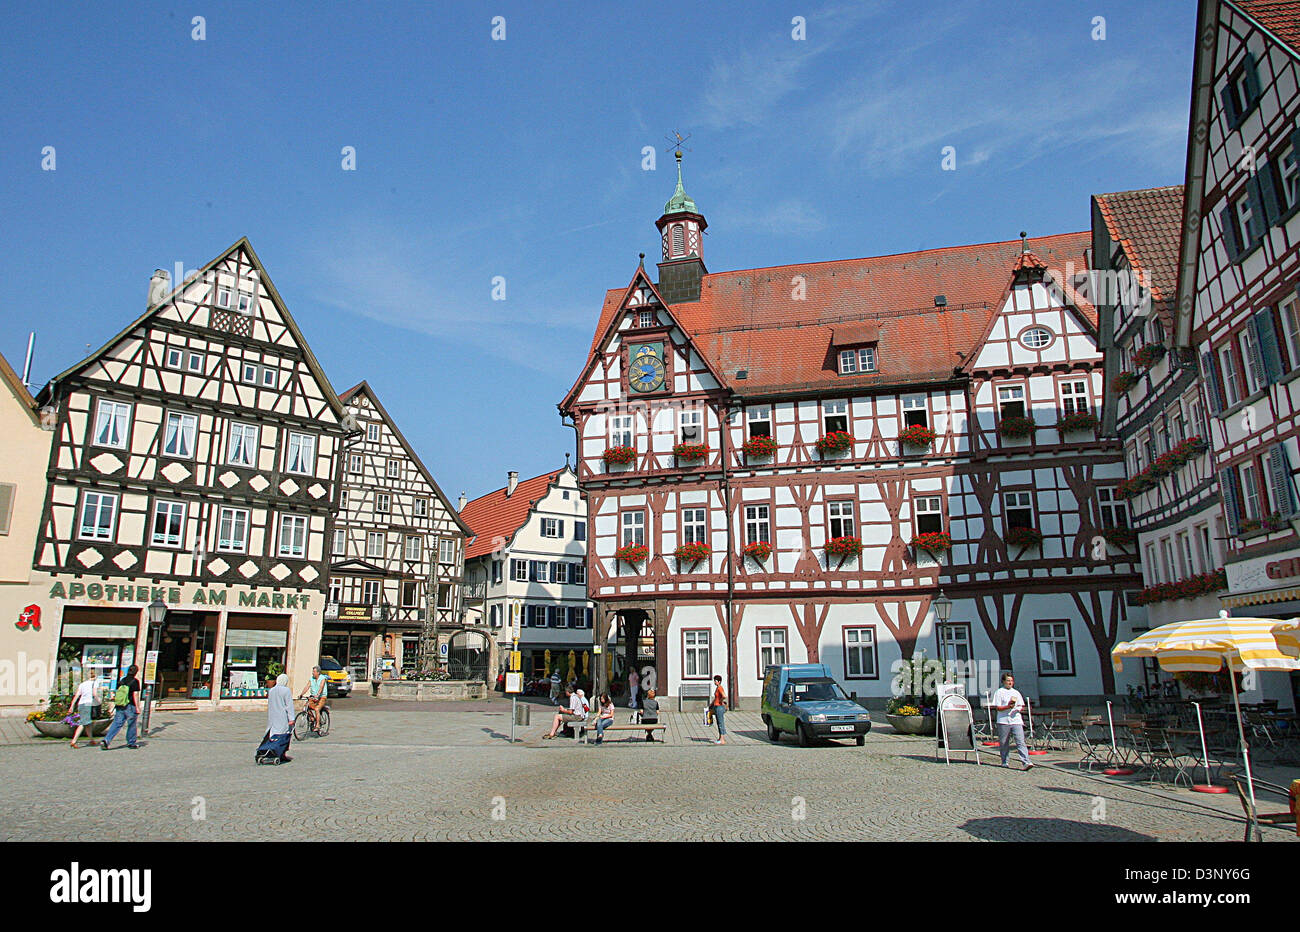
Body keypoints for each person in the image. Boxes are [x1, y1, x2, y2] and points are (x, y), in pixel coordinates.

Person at [992, 672, 1032, 770]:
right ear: (1003, 682)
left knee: (1020, 741)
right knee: (1004, 742)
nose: (1010, 683)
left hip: (1016, 720)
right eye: (1008, 681)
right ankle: (1005, 761)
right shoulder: (999, 692)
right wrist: (1007, 707)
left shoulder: (1016, 692)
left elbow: (1021, 705)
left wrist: (1017, 709)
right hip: (1003, 720)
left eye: (1011, 681)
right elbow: (998, 707)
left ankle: (1026, 761)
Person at [100, 665, 142, 750]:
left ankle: (106, 740)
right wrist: (138, 707)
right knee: (132, 724)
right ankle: (131, 742)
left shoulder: (122, 680)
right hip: (130, 705)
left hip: (120, 705)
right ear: (136, 672)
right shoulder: (135, 681)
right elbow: (135, 694)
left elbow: (117, 691)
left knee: (117, 723)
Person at [262, 673, 296, 762]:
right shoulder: (286, 690)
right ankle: (281, 753)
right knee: (283, 736)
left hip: (273, 716)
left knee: (273, 735)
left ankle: (270, 751)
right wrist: (291, 718)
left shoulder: (272, 690)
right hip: (282, 717)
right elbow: (289, 705)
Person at [69, 672, 101, 749]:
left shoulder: (82, 684)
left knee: (88, 723)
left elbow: (77, 695)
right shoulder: (94, 683)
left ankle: (91, 740)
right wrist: (99, 701)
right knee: (83, 723)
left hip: (81, 704)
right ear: (94, 676)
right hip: (88, 704)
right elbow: (94, 694)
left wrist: (72, 706)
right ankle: (74, 741)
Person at [300, 665, 328, 733]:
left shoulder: (322, 678)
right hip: (313, 697)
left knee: (317, 709)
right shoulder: (311, 679)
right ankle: (312, 718)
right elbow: (307, 687)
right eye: (313, 671)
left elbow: (321, 687)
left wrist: (318, 695)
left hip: (322, 697)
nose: (313, 673)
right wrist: (301, 694)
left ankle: (318, 725)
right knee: (306, 707)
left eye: (314, 671)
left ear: (318, 672)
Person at [710, 674, 727, 745]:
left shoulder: (720, 688)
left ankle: (722, 739)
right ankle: (720, 738)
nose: (714, 682)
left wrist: (721, 701)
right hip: (716, 706)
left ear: (719, 681)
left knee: (720, 722)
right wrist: (711, 704)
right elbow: (716, 698)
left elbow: (724, 696)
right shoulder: (717, 688)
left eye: (716, 681)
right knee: (718, 722)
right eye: (714, 680)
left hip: (719, 707)